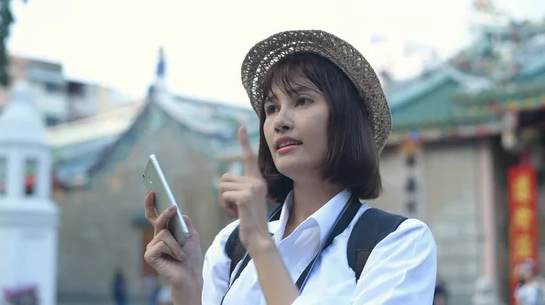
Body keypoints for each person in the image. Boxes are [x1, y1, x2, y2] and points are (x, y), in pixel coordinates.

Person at [143, 30, 437, 304]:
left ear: (345, 120)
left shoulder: (399, 243)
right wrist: (187, 284)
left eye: (302, 100)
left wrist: (261, 245)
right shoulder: (230, 244)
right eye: (271, 108)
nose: (280, 121)